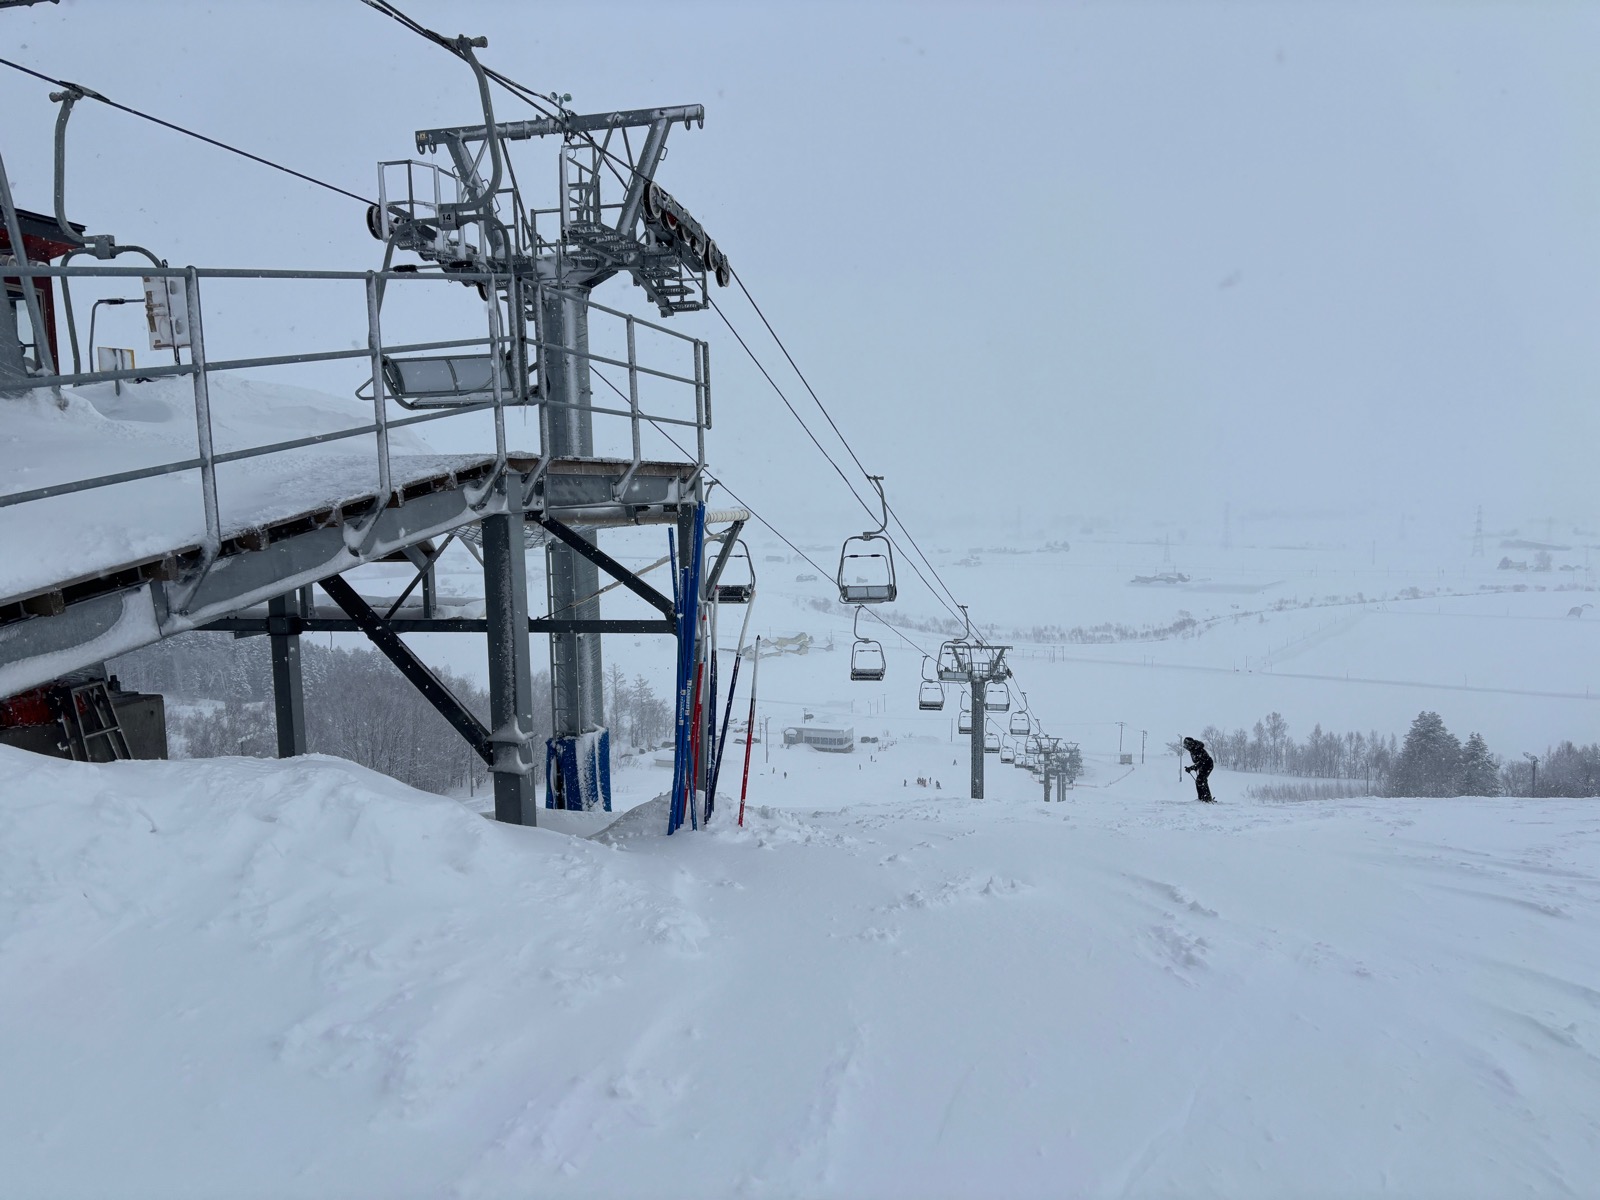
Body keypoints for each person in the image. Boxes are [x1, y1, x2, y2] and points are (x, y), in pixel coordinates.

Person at [1183, 736, 1215, 802]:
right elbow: (1198, 762)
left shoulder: (1197, 749)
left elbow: (1201, 762)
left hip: (1207, 764)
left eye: (1186, 745)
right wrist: (1192, 768)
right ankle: (1202, 798)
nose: (1186, 748)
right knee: (1199, 780)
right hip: (1203, 765)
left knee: (1201, 779)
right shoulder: (1193, 749)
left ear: (1190, 744)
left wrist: (1191, 768)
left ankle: (1207, 798)